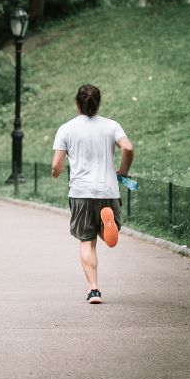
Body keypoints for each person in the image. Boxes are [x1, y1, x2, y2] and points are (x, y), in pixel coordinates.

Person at [51, 84, 134, 305]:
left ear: (77, 103)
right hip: (108, 190)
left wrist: (56, 171)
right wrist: (123, 170)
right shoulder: (111, 126)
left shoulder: (66, 129)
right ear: (98, 103)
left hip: (81, 192)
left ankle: (94, 290)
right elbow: (128, 147)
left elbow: (57, 164)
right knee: (104, 233)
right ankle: (108, 225)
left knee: (86, 241)